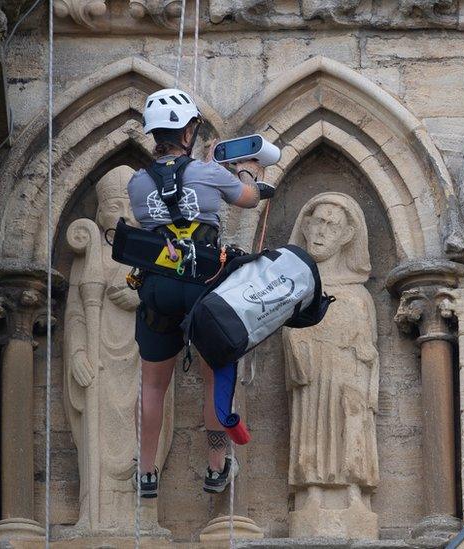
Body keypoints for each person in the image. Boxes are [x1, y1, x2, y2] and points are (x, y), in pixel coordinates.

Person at [128, 88, 269, 499]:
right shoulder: (209, 174)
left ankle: (148, 472)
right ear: (190, 130)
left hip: (157, 286)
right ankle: (215, 466)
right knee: (213, 380)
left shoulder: (137, 183)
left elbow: (158, 212)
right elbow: (249, 199)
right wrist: (244, 172)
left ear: (155, 134)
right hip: (203, 287)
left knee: (153, 385)